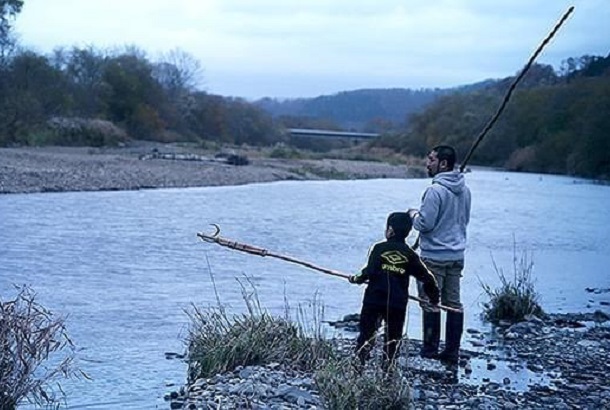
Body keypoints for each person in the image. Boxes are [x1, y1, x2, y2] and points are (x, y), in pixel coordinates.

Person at [348, 212, 440, 369]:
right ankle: (388, 368)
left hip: (374, 300)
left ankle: (359, 363)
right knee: (393, 337)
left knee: (366, 332)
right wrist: (433, 298)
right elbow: (427, 278)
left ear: (390, 230)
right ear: (408, 232)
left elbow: (368, 272)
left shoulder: (379, 249)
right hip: (397, 303)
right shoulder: (410, 255)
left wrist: (355, 279)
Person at [408, 145, 471, 365]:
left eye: (431, 159)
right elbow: (464, 221)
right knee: (454, 303)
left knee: (430, 303)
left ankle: (430, 350)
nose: (427, 163)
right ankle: (452, 352)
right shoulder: (465, 190)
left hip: (433, 256)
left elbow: (425, 224)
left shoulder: (435, 191)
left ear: (443, 164)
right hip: (456, 256)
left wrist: (413, 214)